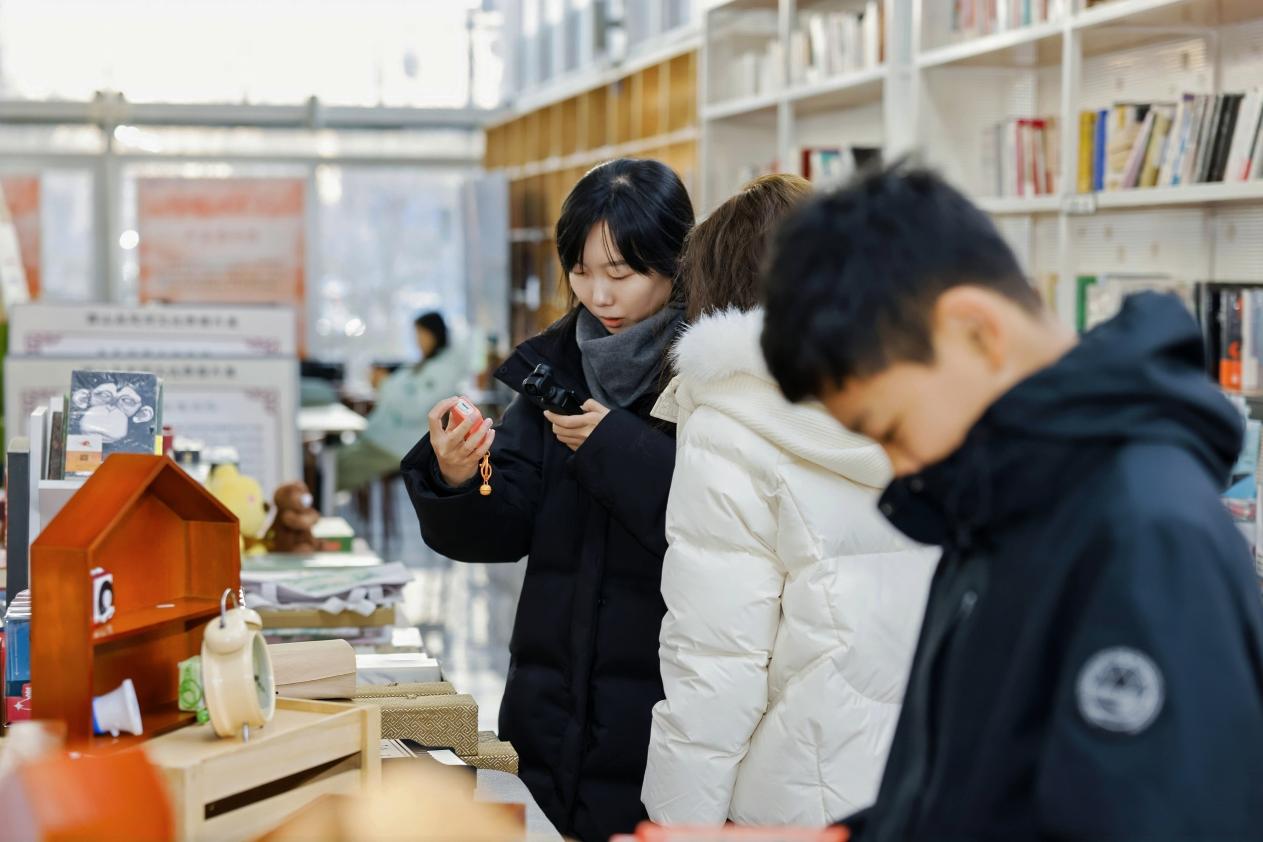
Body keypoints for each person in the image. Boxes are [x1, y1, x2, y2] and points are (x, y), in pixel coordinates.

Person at [760, 163, 1263, 840]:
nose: (898, 467)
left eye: (890, 429)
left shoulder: (1146, 536)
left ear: (976, 330)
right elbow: (970, 798)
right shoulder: (994, 501)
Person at [402, 158, 694, 842]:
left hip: (660, 702)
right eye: (582, 271)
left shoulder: (709, 371)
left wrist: (613, 446)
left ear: (675, 263)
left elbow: (711, 520)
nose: (599, 294)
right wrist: (457, 474)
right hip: (548, 696)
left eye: (621, 274)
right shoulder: (552, 370)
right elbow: (501, 529)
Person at [641, 174, 937, 827]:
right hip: (932, 776)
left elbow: (716, 659)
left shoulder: (729, 421)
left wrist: (677, 824)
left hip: (799, 792)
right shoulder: (937, 391)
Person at [337, 312, 464, 491]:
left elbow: (413, 408)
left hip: (398, 445)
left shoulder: (442, 372)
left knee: (335, 469)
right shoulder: (422, 365)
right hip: (382, 438)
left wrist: (383, 383)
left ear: (435, 334)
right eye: (417, 334)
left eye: (422, 334)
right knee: (334, 460)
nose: (418, 340)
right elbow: (399, 390)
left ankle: (314, 506)